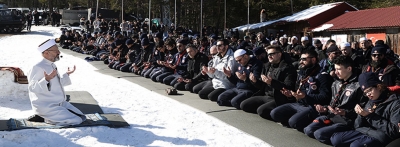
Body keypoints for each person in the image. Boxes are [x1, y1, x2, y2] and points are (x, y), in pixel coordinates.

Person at [303, 55, 367, 145]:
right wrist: (324, 108)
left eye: (339, 69)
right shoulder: (336, 83)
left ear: (349, 69)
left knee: (320, 134)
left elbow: (363, 110)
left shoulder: (358, 86)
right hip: (331, 116)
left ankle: (341, 135)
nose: (335, 72)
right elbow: (332, 103)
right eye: (335, 69)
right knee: (308, 130)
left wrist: (345, 112)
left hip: (346, 121)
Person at [270, 49, 333, 132]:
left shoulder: (322, 75)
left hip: (312, 106)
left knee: (293, 122)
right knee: (274, 113)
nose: (301, 62)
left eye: (304, 59)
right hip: (299, 104)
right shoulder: (302, 73)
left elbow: (325, 97)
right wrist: (290, 95)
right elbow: (297, 91)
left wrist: (306, 96)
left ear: (313, 60)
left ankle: (311, 122)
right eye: (300, 59)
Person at [330, 72, 400, 147]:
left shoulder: (395, 103)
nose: (368, 94)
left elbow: (394, 131)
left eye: (369, 90)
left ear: (379, 86)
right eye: (365, 92)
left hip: (379, 136)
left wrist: (370, 116)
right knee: (336, 139)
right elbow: (357, 126)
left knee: (356, 145)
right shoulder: (371, 101)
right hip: (364, 131)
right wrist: (361, 114)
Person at [27, 39, 85, 126]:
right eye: (56, 51)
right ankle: (45, 118)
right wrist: (46, 80)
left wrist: (66, 75)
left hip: (60, 104)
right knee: (76, 121)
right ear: (46, 53)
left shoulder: (51, 65)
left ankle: (46, 117)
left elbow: (57, 84)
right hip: (47, 106)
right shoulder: (37, 67)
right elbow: (32, 88)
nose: (59, 52)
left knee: (82, 117)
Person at [240, 45, 297, 120]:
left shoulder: (288, 68)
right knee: (244, 105)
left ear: (279, 54)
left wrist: (272, 82)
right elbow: (262, 85)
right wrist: (255, 81)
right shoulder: (267, 66)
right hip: (266, 95)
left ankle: (280, 112)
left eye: (271, 54)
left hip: (278, 98)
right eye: (268, 54)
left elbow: (288, 86)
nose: (269, 56)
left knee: (261, 111)